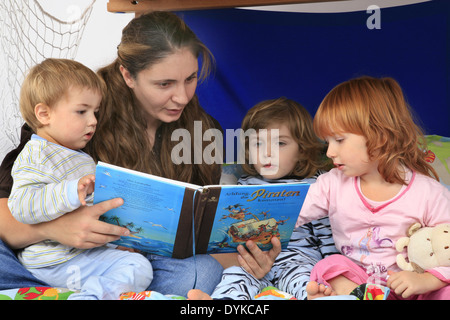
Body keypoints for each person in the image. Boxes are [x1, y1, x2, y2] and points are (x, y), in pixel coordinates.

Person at [0, 11, 279, 296]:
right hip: (52, 255)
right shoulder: (78, 112)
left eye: (191, 78)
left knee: (202, 271)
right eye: (164, 84)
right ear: (127, 74)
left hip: (130, 265)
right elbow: (6, 214)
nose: (183, 97)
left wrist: (249, 260)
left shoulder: (203, 130)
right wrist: (56, 228)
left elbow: (203, 242)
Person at [7, 58, 153, 300]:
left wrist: (116, 241)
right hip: (54, 261)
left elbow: (90, 214)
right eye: (81, 111)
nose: (93, 120)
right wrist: (70, 192)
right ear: (44, 114)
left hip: (79, 254)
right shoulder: (36, 155)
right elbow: (22, 207)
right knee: (137, 268)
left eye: (95, 112)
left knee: (137, 263)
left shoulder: (77, 155)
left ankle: (92, 292)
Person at [298, 76, 450, 300]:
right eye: (327, 142)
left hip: (415, 285)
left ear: (379, 137)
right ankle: (354, 295)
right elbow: (292, 211)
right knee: (327, 266)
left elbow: (446, 247)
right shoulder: (332, 184)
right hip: (363, 282)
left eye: (339, 140)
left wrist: (426, 280)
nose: (329, 152)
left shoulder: (428, 193)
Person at [188, 97, 338, 300]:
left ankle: (313, 297)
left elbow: (329, 237)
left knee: (305, 280)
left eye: (280, 143)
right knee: (234, 276)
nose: (267, 153)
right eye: (258, 144)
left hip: (296, 261)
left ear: (302, 149)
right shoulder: (244, 185)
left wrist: (336, 273)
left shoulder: (316, 185)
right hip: (252, 261)